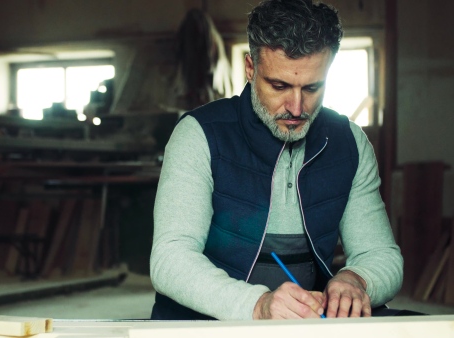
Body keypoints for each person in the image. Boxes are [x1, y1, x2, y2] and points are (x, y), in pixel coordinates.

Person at [149, 0, 404, 320]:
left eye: (312, 87)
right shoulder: (198, 134)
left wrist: (357, 280)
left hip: (310, 321)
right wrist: (257, 305)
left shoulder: (349, 143)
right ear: (250, 68)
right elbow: (171, 260)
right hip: (209, 321)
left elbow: (381, 255)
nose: (297, 108)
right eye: (279, 85)